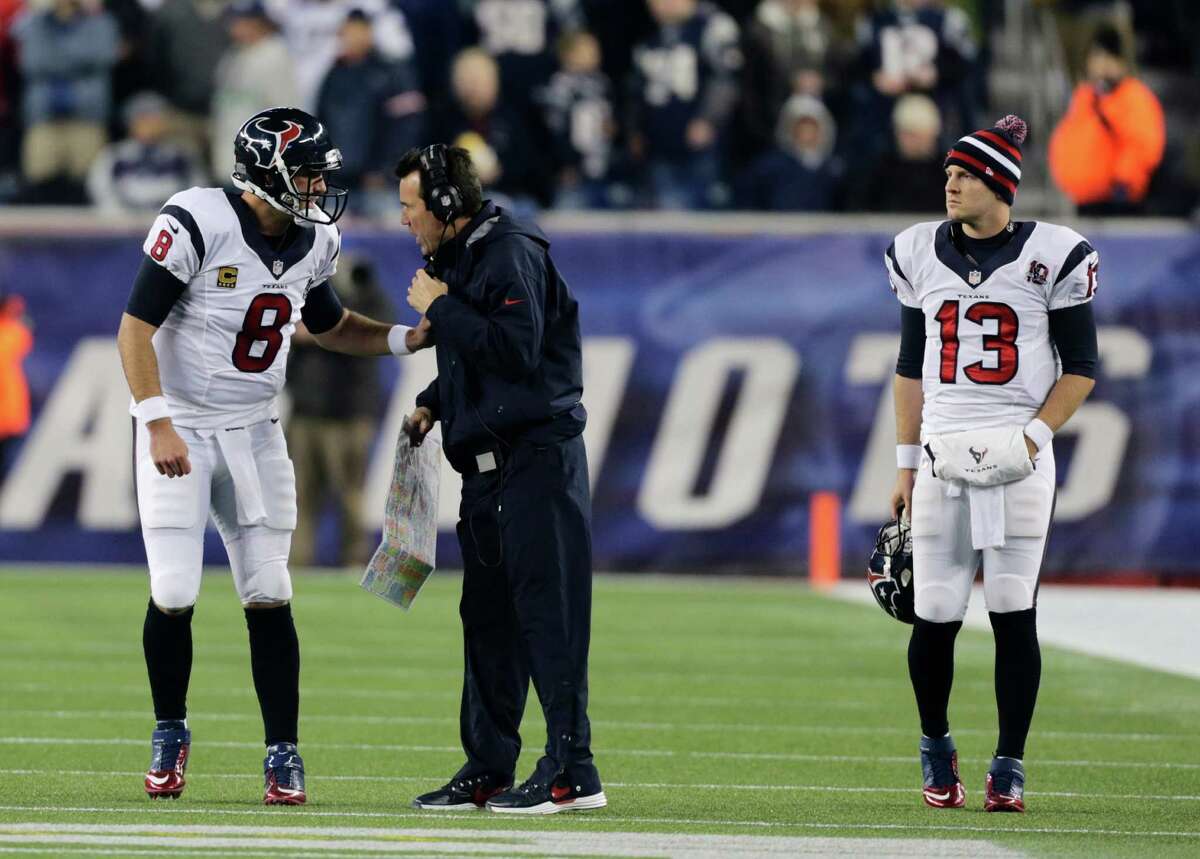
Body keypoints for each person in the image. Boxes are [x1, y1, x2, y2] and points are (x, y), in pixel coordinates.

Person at [116, 106, 426, 805]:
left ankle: (282, 752)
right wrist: (156, 419)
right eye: (309, 173)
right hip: (183, 427)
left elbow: (331, 324)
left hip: (256, 428)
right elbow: (135, 327)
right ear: (267, 171)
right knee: (174, 590)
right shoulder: (197, 220)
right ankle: (170, 730)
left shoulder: (316, 240)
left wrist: (407, 339)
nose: (319, 187)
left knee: (270, 591)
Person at [886, 115, 1099, 813]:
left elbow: (1083, 368)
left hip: (1018, 450)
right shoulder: (918, 251)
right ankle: (935, 745)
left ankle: (1009, 762)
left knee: (1013, 609)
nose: (949, 184)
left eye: (964, 175)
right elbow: (910, 367)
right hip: (945, 448)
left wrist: (1034, 436)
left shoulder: (1054, 254)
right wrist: (904, 463)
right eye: (947, 173)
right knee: (935, 610)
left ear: (999, 185)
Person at [397, 144, 604, 814]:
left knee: (549, 617)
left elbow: (517, 348)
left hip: (535, 462)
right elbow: (479, 359)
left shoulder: (509, 250)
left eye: (410, 206)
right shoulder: (469, 255)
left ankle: (573, 767)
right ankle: (488, 764)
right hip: (487, 472)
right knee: (487, 621)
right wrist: (436, 398)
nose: (404, 220)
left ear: (447, 207)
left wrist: (441, 306)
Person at [285, 255, 395, 568]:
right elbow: (286, 327)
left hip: (348, 414)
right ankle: (296, 566)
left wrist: (325, 327)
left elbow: (373, 333)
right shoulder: (302, 291)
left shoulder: (368, 295)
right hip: (305, 410)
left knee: (350, 498)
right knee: (298, 498)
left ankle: (354, 565)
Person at [1048, 24, 1165, 215]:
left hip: (1119, 203)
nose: (1102, 64)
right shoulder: (1084, 97)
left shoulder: (1134, 97)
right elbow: (1068, 141)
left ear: (1122, 62)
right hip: (1084, 201)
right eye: (1097, 56)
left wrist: (1124, 182)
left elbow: (1143, 145)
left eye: (1109, 57)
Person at [87, 91, 208, 214]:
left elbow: (198, 191)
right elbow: (102, 192)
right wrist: (123, 218)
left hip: (171, 224)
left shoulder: (182, 155)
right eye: (144, 119)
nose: (152, 125)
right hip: (126, 225)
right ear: (131, 123)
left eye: (157, 119)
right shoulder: (114, 155)